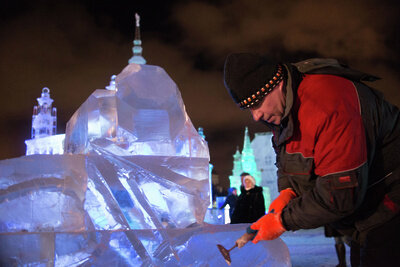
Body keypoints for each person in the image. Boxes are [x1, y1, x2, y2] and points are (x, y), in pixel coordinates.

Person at [223, 54, 400, 266]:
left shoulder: (329, 103)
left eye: (257, 103)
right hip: (363, 219)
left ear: (277, 84)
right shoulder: (283, 112)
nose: (255, 116)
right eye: (248, 108)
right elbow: (287, 159)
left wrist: (283, 221)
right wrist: (288, 192)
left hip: (390, 208)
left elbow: (340, 194)